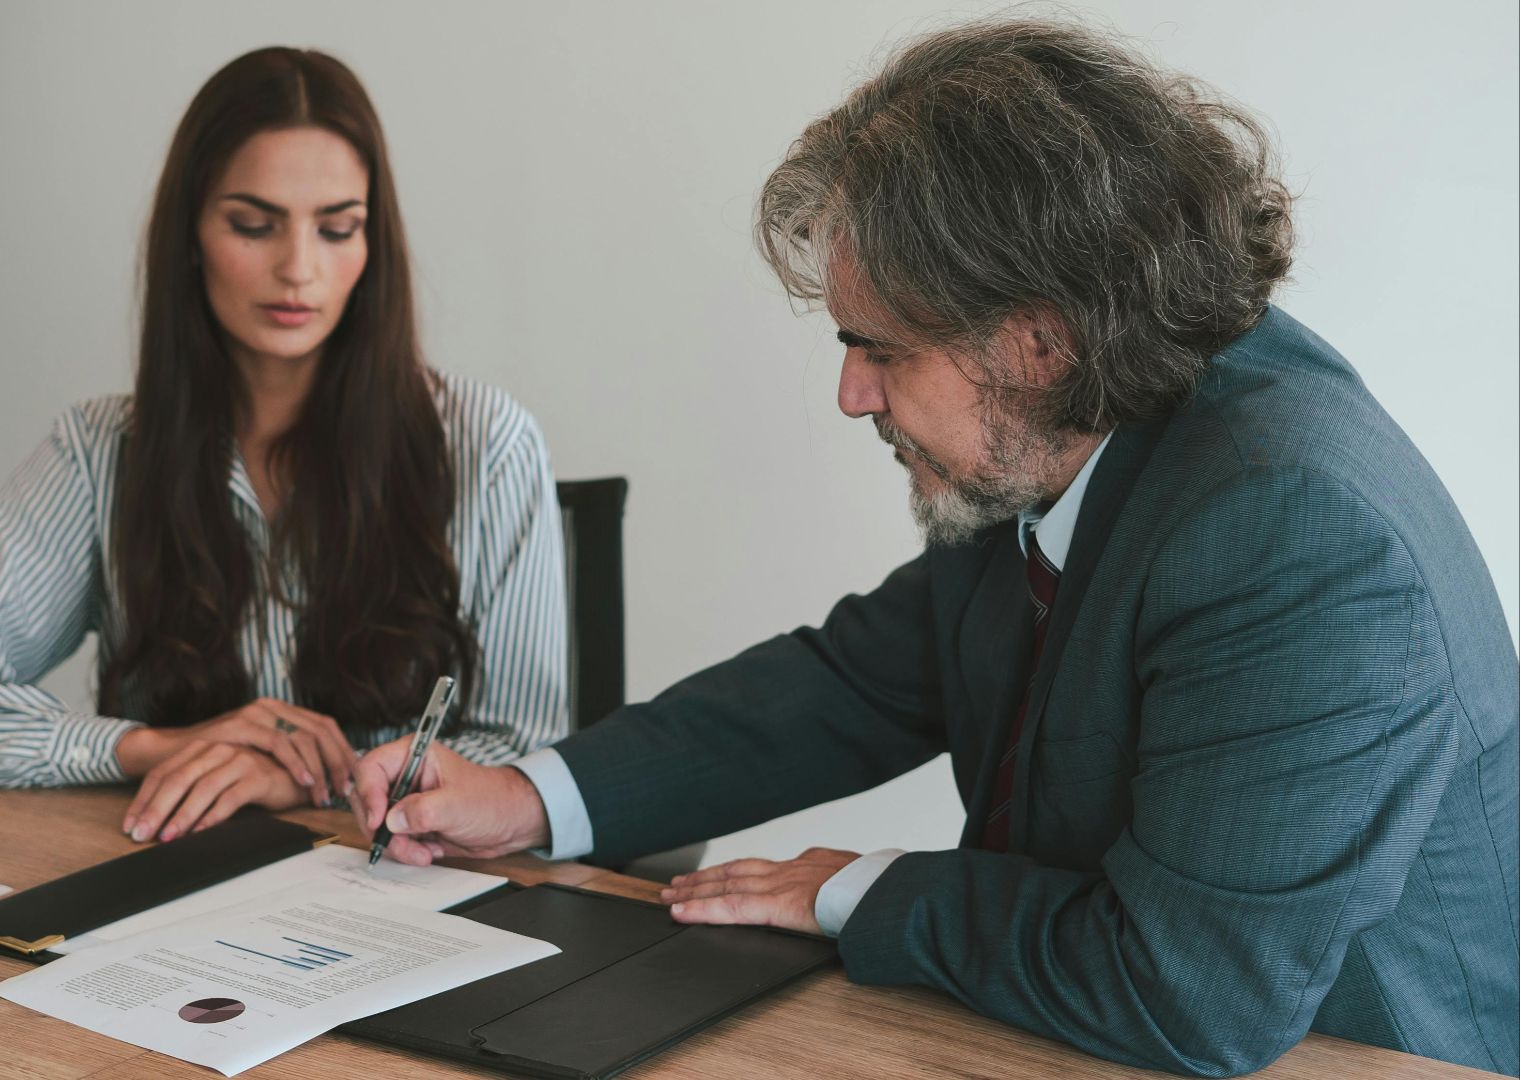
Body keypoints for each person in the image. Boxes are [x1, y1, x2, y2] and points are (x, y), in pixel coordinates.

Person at [349, 18, 1518, 1078]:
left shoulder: (1298, 535)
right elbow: (860, 679)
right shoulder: (1081, 413)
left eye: (880, 349)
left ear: (1040, 341)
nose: (852, 394)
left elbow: (1190, 994)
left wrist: (856, 891)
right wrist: (526, 794)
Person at [0, 48, 569, 848]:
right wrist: (155, 746)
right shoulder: (100, 451)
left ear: (374, 248)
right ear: (190, 233)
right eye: (254, 226)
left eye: (337, 228)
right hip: (169, 879)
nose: (298, 268)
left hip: (403, 894)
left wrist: (304, 781)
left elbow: (522, 762)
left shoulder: (486, 443)